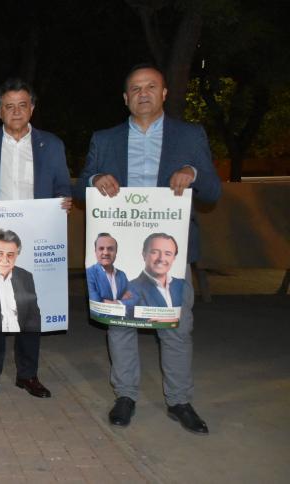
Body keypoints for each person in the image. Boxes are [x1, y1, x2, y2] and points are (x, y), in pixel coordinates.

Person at [77, 63, 221, 434]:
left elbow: (213, 192)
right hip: (123, 252)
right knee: (120, 325)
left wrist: (193, 174)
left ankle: (179, 400)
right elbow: (81, 187)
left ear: (164, 93)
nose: (143, 93)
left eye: (151, 87)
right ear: (125, 98)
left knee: (175, 328)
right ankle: (125, 395)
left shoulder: (189, 136)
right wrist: (95, 179)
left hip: (170, 254)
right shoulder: (105, 139)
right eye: (136, 89)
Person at [0, 78, 72, 399]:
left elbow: (64, 185)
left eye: (23, 105)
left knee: (29, 306)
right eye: (9, 106)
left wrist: (64, 201)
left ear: (32, 108)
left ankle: (28, 374)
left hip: (36, 237)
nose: (16, 111)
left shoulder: (53, 144)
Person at [127, 233, 185, 310]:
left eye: (168, 254)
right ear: (144, 254)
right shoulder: (130, 289)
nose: (161, 258)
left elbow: (186, 315)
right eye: (154, 252)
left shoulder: (182, 285)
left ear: (174, 258)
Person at [86, 233, 131, 304]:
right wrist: (120, 303)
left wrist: (106, 301)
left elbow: (132, 299)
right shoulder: (88, 273)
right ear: (95, 251)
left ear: (116, 252)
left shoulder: (122, 275)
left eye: (110, 249)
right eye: (101, 248)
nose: (106, 252)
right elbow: (95, 303)